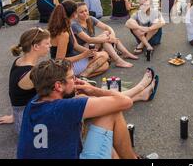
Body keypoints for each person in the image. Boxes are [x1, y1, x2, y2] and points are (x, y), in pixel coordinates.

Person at [17, 59, 158, 159]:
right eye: (72, 77)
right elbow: (124, 102)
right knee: (110, 112)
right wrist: (93, 90)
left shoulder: (34, 102)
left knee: (103, 120)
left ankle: (141, 92)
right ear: (58, 86)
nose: (76, 80)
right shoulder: (65, 108)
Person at [0, 28, 51, 132]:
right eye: (47, 43)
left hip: (21, 115)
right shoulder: (32, 73)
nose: (50, 46)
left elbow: (17, 95)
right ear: (36, 46)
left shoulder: (19, 61)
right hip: (28, 124)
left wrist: (14, 115)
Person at [48, 0, 109, 78]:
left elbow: (75, 45)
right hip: (65, 66)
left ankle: (78, 77)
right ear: (74, 14)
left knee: (105, 66)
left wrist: (88, 52)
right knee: (104, 55)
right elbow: (59, 61)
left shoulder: (66, 25)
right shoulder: (63, 34)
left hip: (72, 60)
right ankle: (82, 76)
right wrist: (83, 55)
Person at [73, 3, 138, 68]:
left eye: (86, 10)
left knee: (106, 32)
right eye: (81, 12)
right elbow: (88, 39)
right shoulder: (75, 25)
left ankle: (125, 53)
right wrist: (108, 39)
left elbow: (107, 27)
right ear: (76, 14)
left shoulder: (90, 19)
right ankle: (119, 60)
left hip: (93, 44)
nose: (85, 13)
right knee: (104, 38)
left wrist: (112, 36)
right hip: (84, 48)